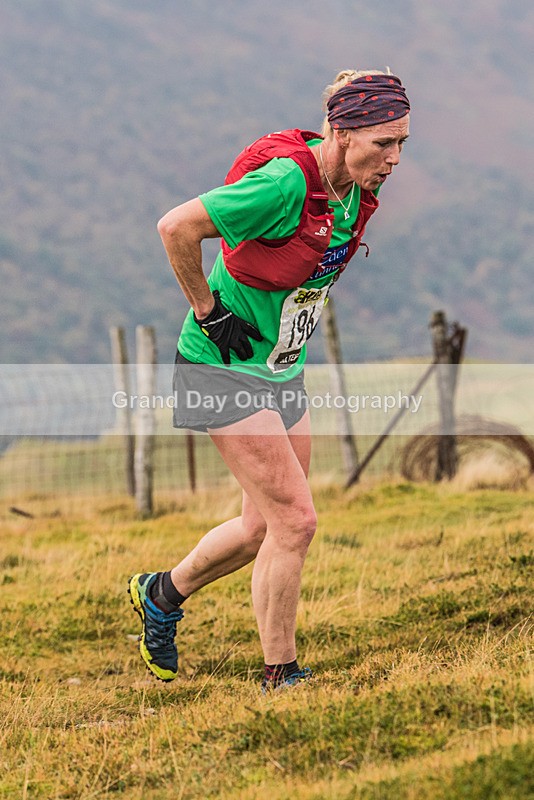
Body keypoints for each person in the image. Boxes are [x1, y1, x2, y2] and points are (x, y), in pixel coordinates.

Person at [128, 68, 410, 691]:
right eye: (382, 144)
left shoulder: (353, 191)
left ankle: (162, 593)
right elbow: (176, 227)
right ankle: (280, 673)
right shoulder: (284, 184)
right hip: (222, 366)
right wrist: (207, 308)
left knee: (263, 526)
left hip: (281, 368)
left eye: (401, 145)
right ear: (340, 131)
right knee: (296, 523)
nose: (393, 159)